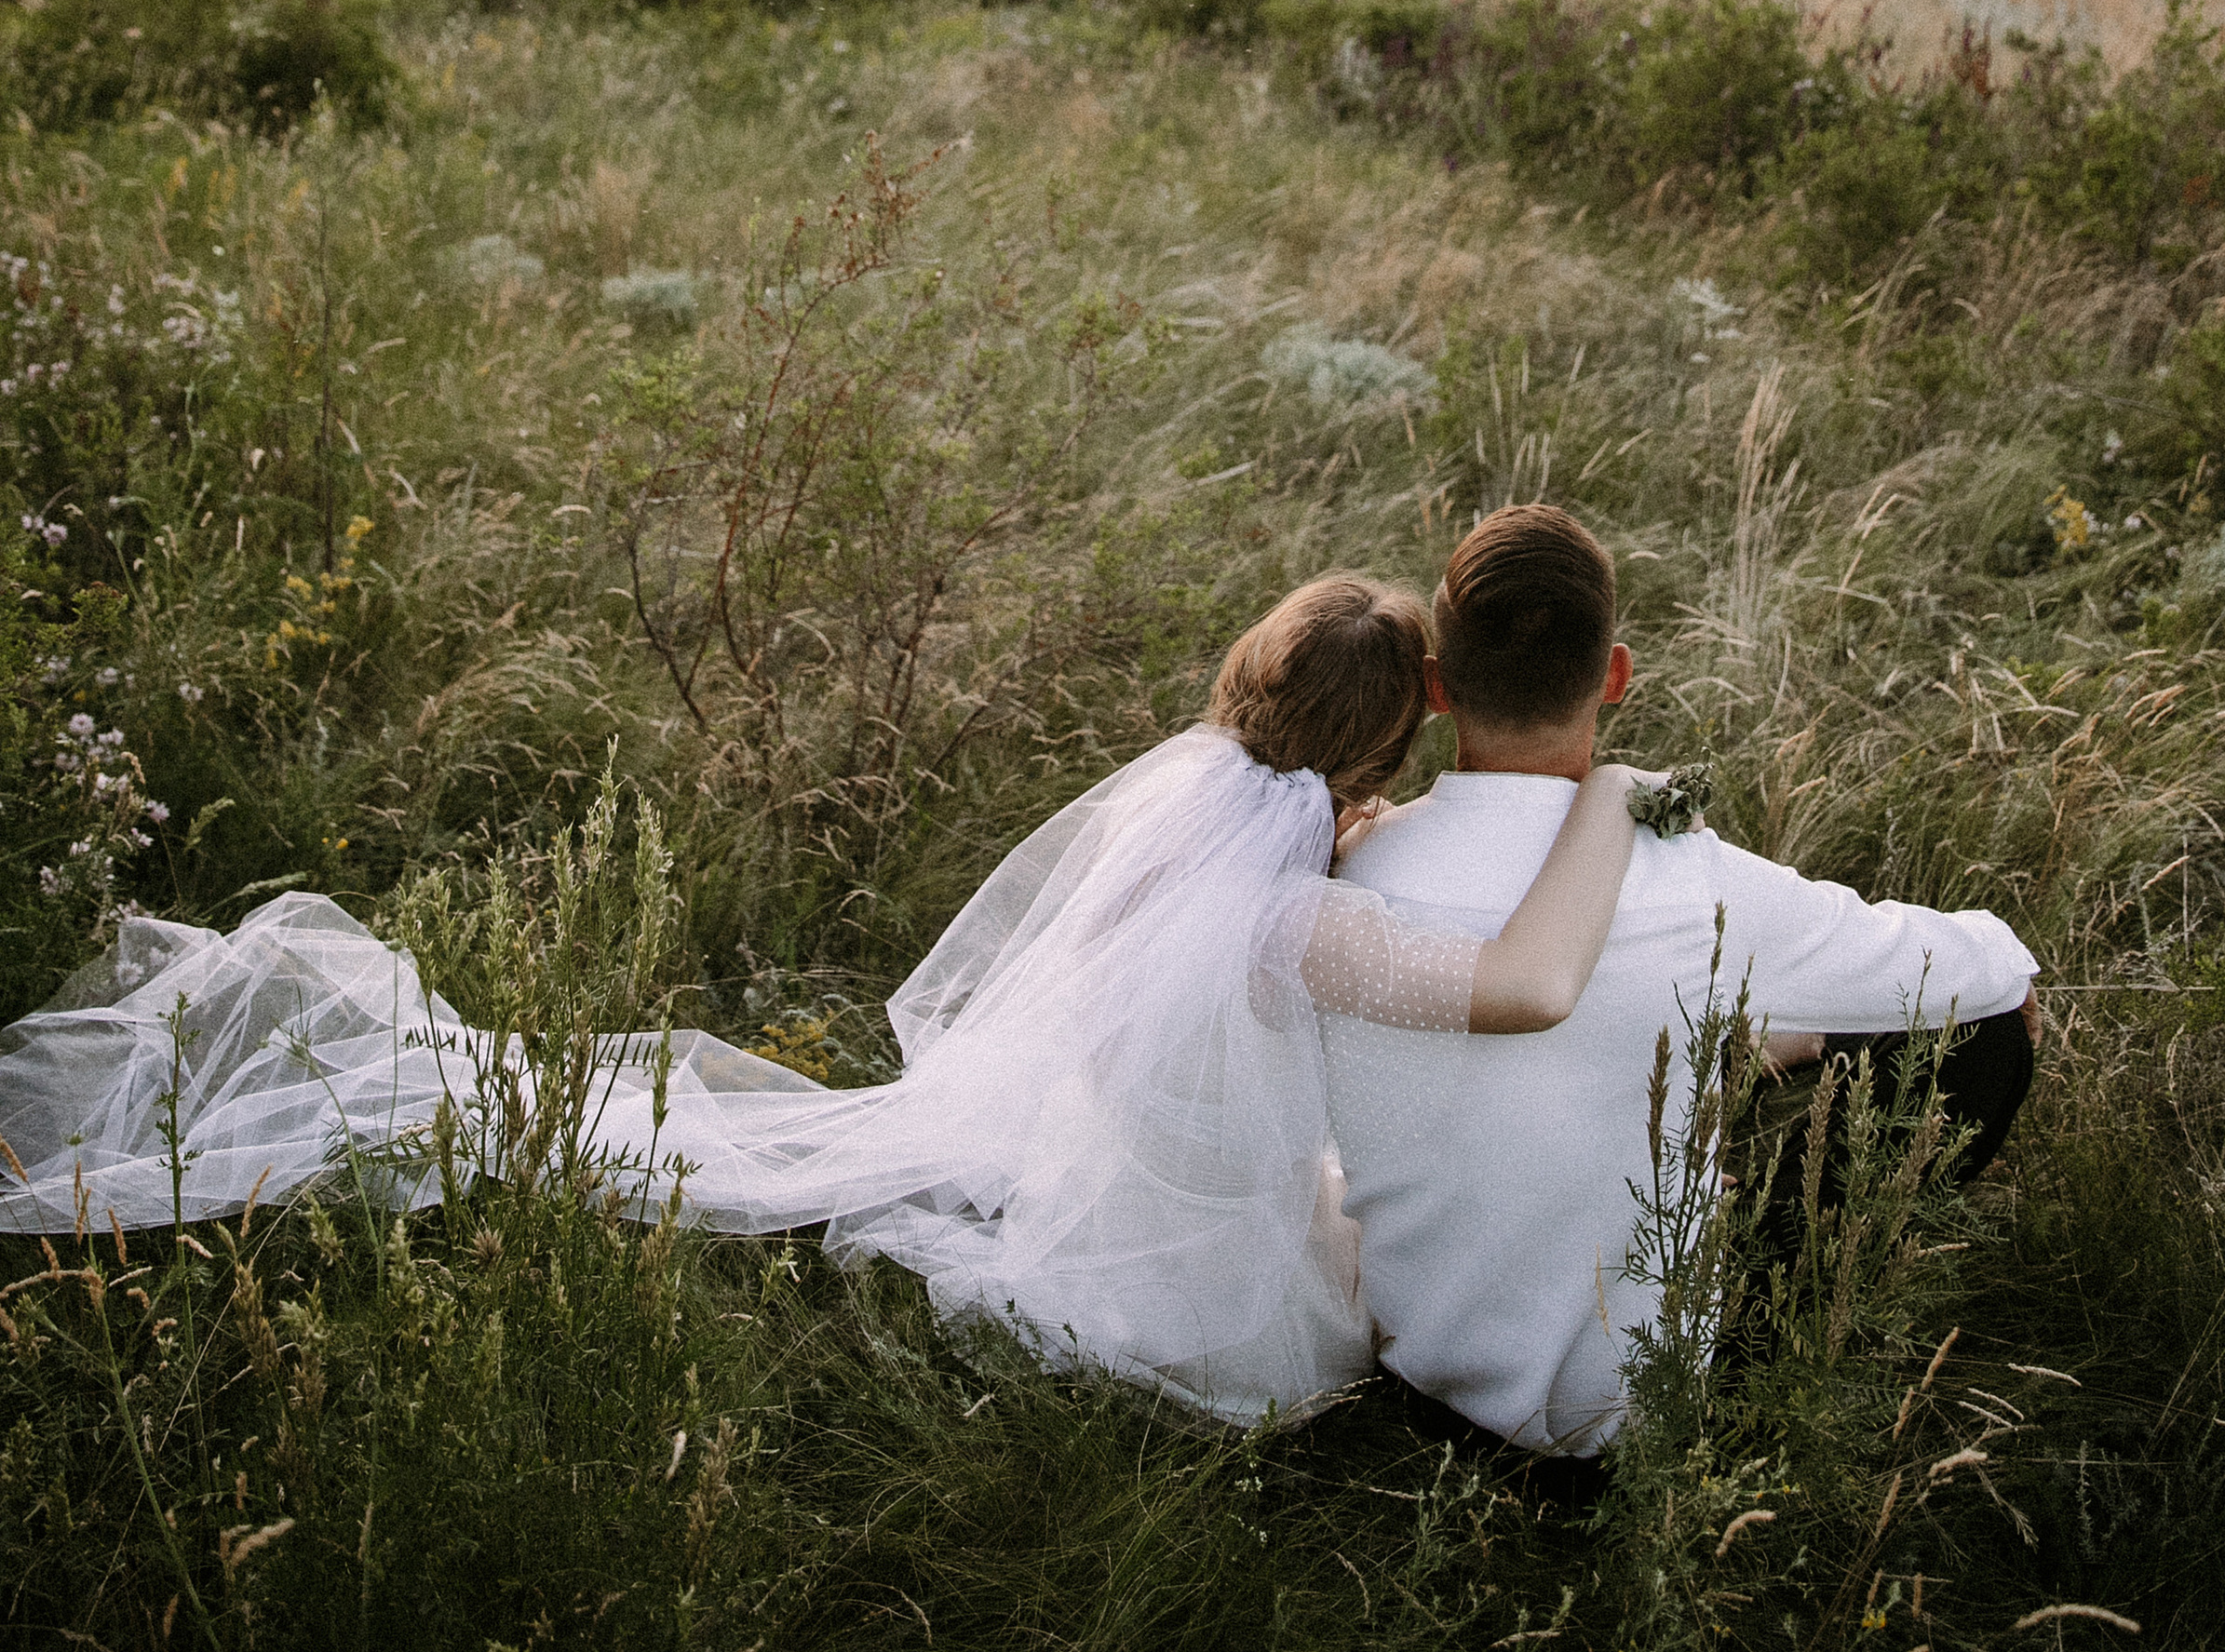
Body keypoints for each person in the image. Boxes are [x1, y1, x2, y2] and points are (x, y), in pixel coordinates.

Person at [0, 571, 1639, 1425]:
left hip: (1104, 1153)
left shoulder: (1191, 803)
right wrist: (1604, 808)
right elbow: (1511, 987)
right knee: (1381, 1242)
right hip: (1211, 1308)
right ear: (1376, 752)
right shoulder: (1300, 912)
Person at [1328, 504, 2039, 1462]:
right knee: (1993, 1031)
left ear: (1435, 688)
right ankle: (1783, 1287)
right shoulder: (1688, 878)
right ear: (1615, 676)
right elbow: (1979, 975)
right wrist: (1990, 955)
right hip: (1631, 1419)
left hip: (1414, 1375)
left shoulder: (1347, 868)